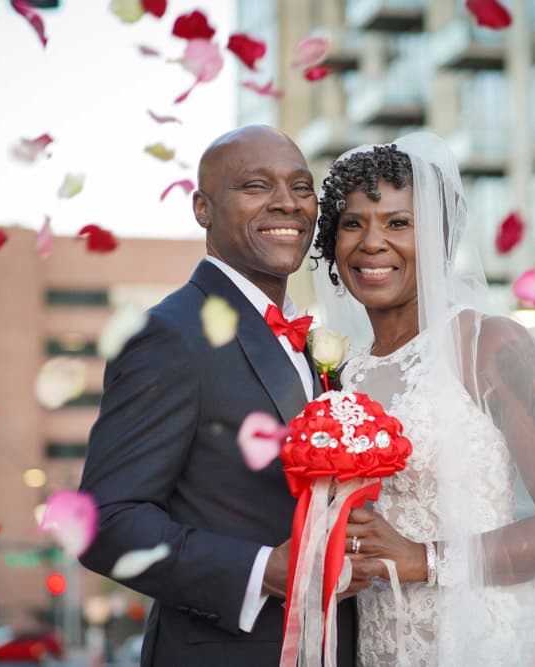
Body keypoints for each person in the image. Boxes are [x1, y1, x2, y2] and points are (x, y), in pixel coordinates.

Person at [311, 132, 535, 666]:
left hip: (484, 642)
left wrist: (423, 558)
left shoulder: (490, 343)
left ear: (437, 238)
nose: (371, 242)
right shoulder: (339, 374)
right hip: (380, 646)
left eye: (398, 223)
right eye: (352, 223)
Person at [78, 125, 366, 666]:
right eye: (256, 186)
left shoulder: (310, 345)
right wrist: (261, 571)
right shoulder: (169, 335)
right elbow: (104, 521)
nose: (287, 203)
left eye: (301, 187)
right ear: (202, 209)